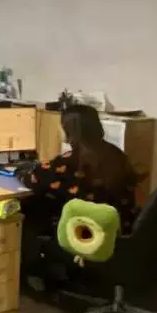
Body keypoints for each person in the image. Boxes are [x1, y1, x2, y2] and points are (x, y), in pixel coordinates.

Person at [18, 104, 139, 291]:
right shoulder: (117, 155)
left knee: (27, 209)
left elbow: (33, 179)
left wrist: (20, 171)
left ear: (70, 131)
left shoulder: (69, 162)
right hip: (117, 234)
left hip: (85, 237)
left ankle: (31, 273)